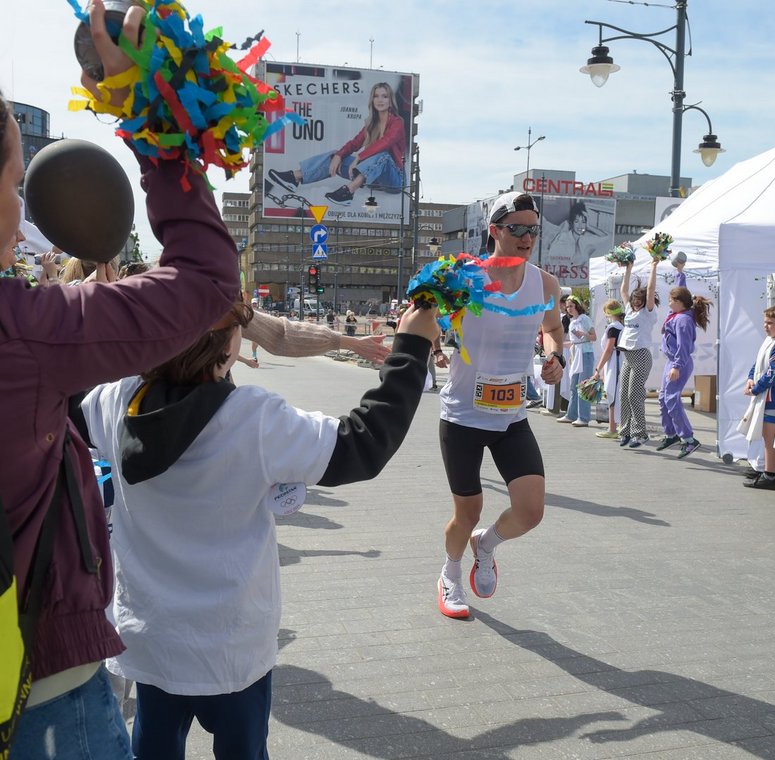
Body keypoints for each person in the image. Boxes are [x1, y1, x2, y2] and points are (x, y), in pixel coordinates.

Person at [1, 2, 239, 755]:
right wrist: (153, 117)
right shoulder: (25, 328)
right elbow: (204, 281)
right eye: (13, 188)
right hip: (36, 685)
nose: (19, 208)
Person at [80, 301, 438, 758]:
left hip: (151, 636)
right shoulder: (254, 417)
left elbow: (58, 403)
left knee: (153, 743)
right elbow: (364, 441)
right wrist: (411, 347)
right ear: (227, 345)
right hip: (233, 641)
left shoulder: (115, 400)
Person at [432, 191, 564, 619]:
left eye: (533, 230)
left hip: (512, 416)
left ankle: (485, 546)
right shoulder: (466, 277)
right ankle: (450, 574)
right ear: (494, 231)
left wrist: (554, 355)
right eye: (517, 229)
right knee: (466, 511)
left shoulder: (544, 283)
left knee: (531, 511)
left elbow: (552, 326)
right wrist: (421, 347)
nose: (527, 237)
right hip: (463, 415)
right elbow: (422, 316)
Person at [268, 82, 405, 207]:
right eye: (376, 96)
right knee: (335, 156)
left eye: (384, 96)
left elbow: (385, 142)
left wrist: (359, 157)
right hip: (373, 179)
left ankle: (349, 192)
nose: (380, 100)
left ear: (390, 100)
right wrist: (339, 155)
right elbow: (354, 143)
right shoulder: (371, 124)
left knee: (383, 155)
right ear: (372, 100)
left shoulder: (397, 123)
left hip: (394, 180)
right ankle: (295, 177)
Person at [738, 306, 775, 490]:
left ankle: (769, 475)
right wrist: (750, 378)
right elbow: (758, 363)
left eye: (770, 323)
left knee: (769, 437)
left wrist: (757, 389)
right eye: (765, 322)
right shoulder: (771, 339)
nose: (766, 326)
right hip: (765, 393)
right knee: (768, 435)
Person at [656, 272, 712, 459]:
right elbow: (684, 291)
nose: (669, 303)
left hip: (679, 362)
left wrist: (677, 366)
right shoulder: (677, 313)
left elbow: (684, 346)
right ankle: (671, 434)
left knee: (672, 399)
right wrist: (680, 272)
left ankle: (688, 439)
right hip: (671, 361)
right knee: (663, 398)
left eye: (671, 300)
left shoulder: (683, 320)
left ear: (679, 302)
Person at [615, 258, 659, 447]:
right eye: (635, 300)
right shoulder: (629, 309)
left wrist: (654, 266)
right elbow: (623, 290)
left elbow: (650, 291)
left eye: (640, 301)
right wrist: (628, 268)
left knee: (635, 394)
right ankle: (625, 431)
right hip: (627, 357)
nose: (637, 303)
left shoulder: (647, 312)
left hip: (641, 356)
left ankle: (640, 433)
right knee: (623, 393)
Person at [557, 295, 596, 427]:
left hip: (585, 354)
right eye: (567, 307)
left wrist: (583, 335)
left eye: (571, 306)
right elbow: (574, 342)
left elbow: (593, 337)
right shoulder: (572, 321)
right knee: (573, 386)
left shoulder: (584, 319)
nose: (569, 309)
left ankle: (583, 417)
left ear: (577, 306)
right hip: (576, 354)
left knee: (583, 386)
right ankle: (571, 414)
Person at [590, 299, 624, 438]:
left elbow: (609, 349)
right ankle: (617, 427)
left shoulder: (613, 327)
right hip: (617, 361)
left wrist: (598, 369)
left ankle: (613, 429)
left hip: (614, 363)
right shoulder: (621, 326)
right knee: (615, 394)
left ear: (608, 313)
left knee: (612, 393)